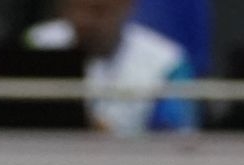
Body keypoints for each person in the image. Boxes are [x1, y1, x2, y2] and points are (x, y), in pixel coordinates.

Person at [25, 0, 197, 135]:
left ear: (127, 5)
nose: (83, 20)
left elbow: (177, 141)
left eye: (97, 10)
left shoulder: (168, 62)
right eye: (74, 8)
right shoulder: (35, 43)